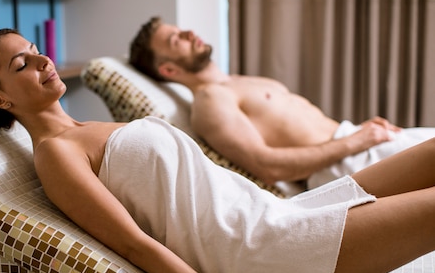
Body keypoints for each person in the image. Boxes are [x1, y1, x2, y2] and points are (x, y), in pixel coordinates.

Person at [0, 28, 435, 273]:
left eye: (36, 50)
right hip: (263, 252)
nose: (42, 59)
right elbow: (131, 244)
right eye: (22, 64)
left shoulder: (85, 129)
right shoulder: (56, 154)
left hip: (279, 214)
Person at [129, 16, 435, 189]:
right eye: (176, 39)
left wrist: (362, 134)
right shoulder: (210, 101)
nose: (188, 32)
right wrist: (357, 141)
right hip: (345, 164)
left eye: (180, 28)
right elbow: (267, 165)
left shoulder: (233, 82)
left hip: (357, 142)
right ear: (169, 70)